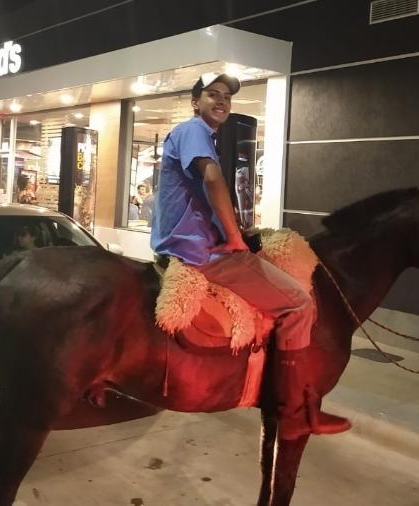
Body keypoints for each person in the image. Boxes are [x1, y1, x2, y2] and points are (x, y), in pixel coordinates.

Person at [150, 72, 351, 441]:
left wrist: (238, 231)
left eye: (226, 96)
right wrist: (233, 239)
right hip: (202, 251)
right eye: (213, 94)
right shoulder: (194, 131)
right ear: (196, 102)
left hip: (190, 241)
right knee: (300, 304)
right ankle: (293, 412)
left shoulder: (194, 135)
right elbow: (212, 180)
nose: (222, 101)